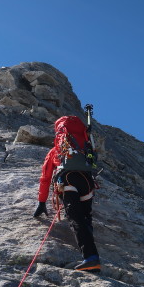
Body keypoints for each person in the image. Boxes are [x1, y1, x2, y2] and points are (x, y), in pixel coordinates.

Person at [33, 115, 100, 272]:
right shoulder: (85, 143)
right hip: (87, 181)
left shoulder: (57, 149)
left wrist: (41, 202)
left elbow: (45, 178)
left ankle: (90, 259)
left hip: (67, 180)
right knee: (85, 218)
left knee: (75, 217)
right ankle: (92, 257)